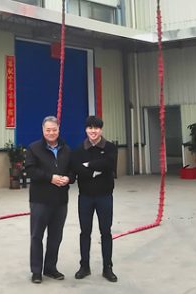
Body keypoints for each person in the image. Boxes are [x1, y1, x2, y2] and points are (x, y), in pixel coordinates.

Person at [70, 116, 119, 283]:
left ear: (101, 130)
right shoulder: (78, 150)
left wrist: (88, 165)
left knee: (106, 232)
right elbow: (77, 169)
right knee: (85, 232)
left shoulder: (110, 147)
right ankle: (84, 266)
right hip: (85, 197)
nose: (93, 131)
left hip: (105, 196)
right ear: (86, 130)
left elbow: (109, 165)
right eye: (90, 128)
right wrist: (95, 169)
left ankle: (107, 268)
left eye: (96, 128)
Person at [24, 116, 72, 284]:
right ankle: (36, 271)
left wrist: (68, 178)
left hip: (60, 201)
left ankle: (50, 268)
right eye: (48, 130)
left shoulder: (66, 149)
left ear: (59, 129)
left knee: (55, 237)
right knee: (37, 236)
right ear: (43, 130)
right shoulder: (34, 148)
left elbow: (72, 170)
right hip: (40, 200)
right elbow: (30, 170)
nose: (51, 133)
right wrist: (50, 178)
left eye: (54, 130)